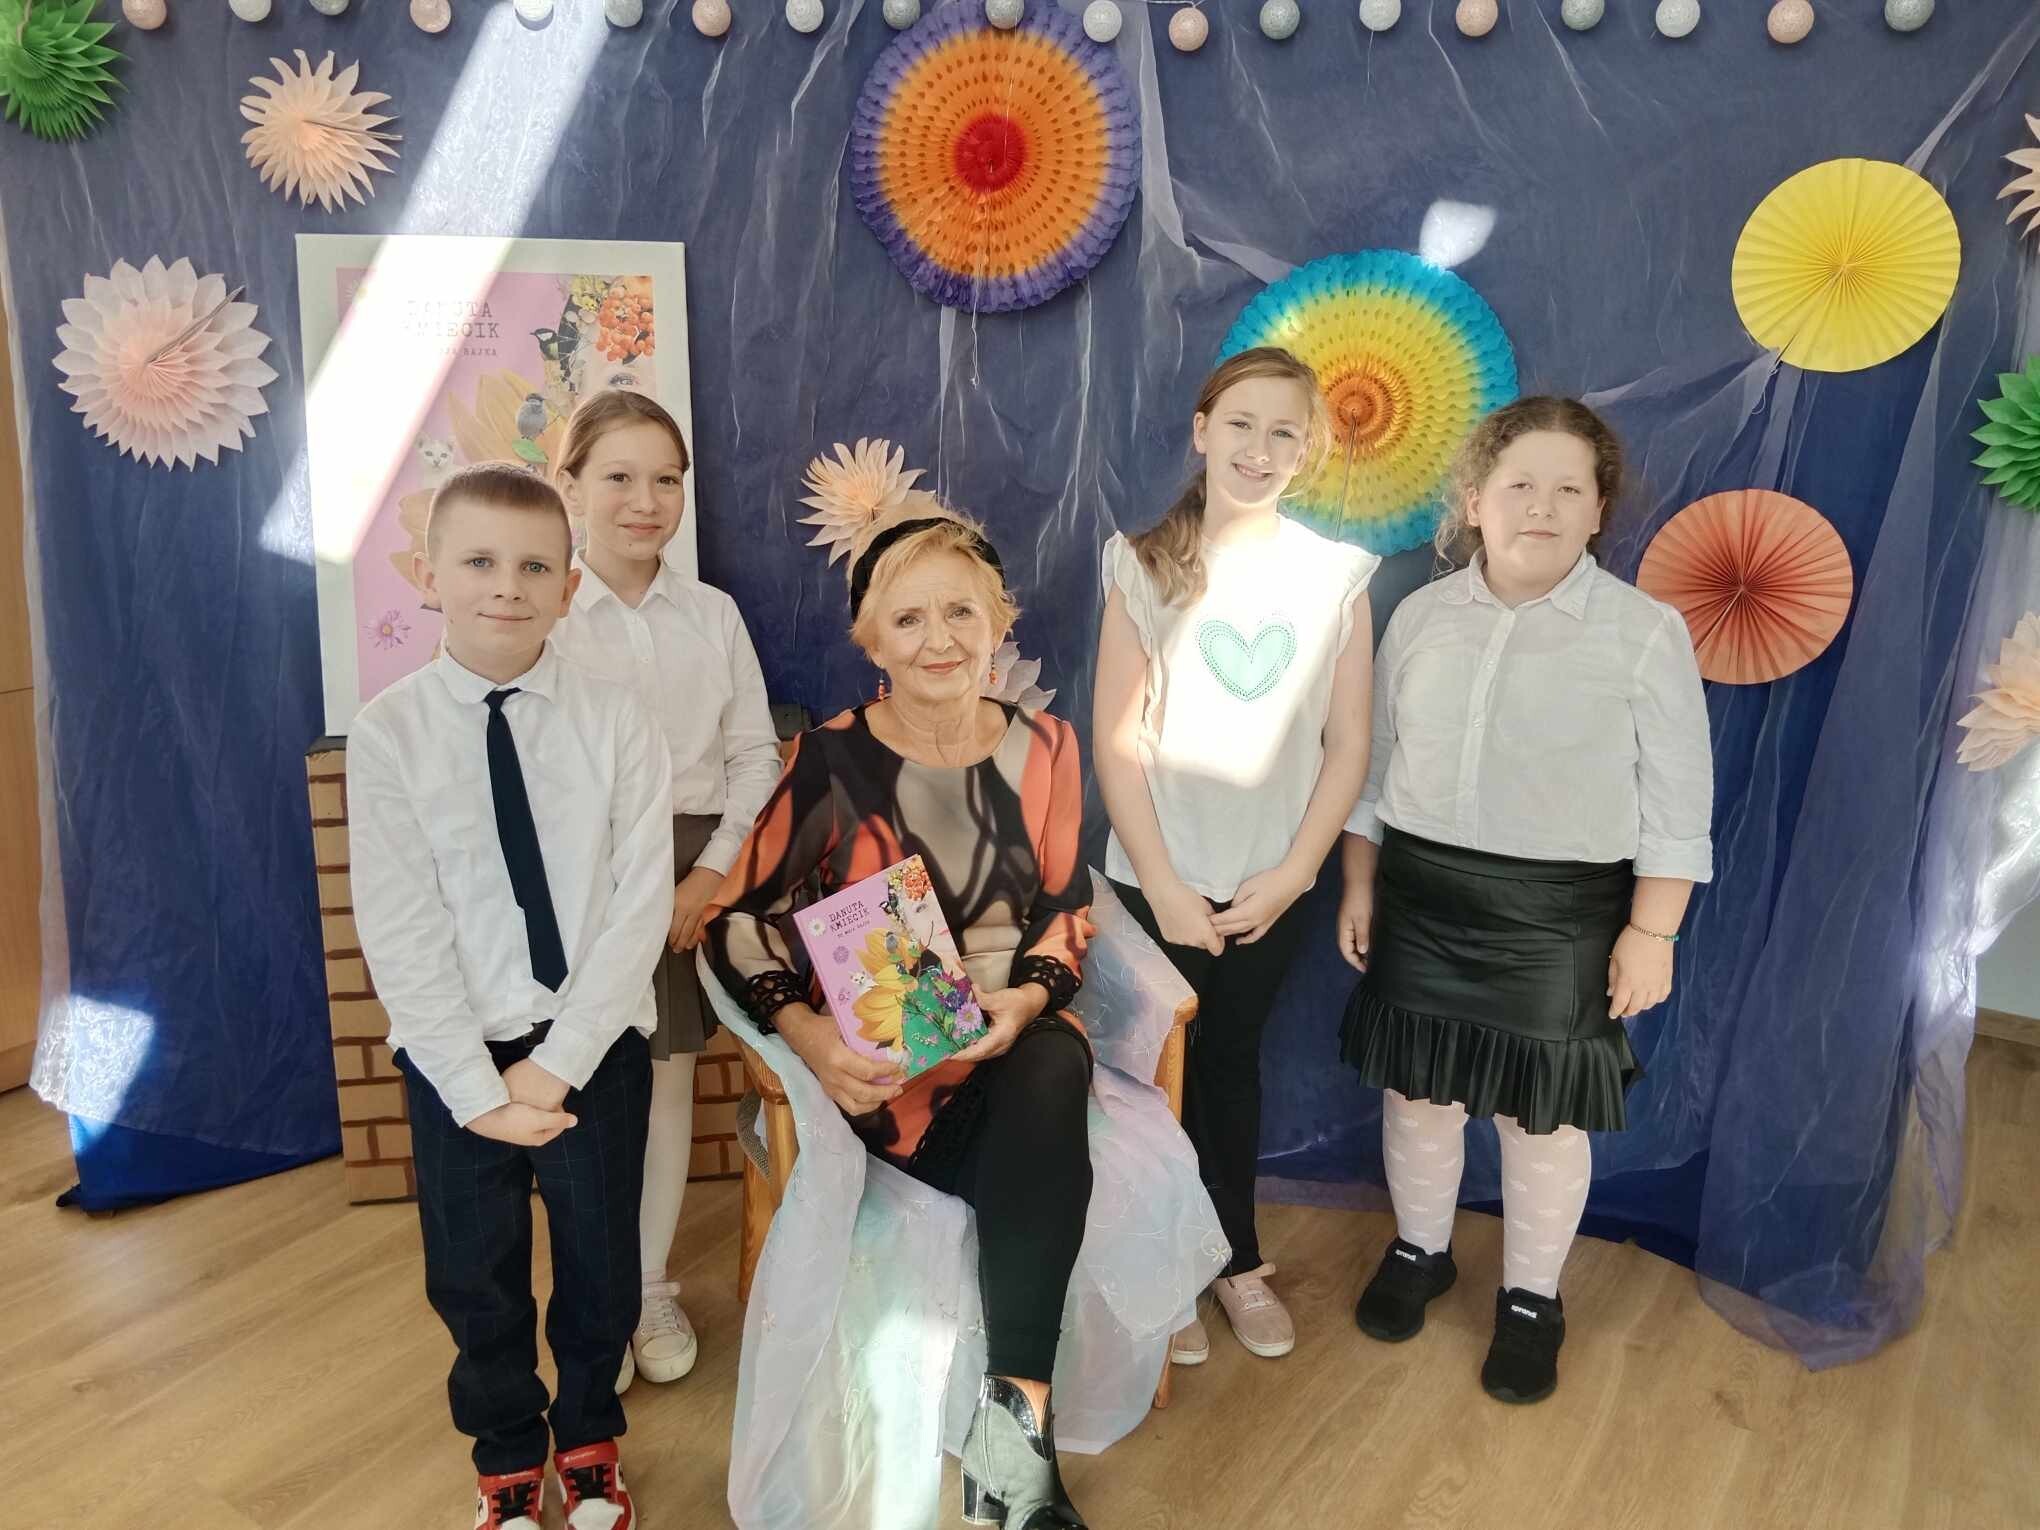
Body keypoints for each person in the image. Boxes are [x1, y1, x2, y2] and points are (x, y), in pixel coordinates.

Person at [706, 509, 1101, 1527]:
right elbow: (736, 921)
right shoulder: (829, 762)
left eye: (961, 612)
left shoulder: (1051, 747)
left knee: (1051, 1065)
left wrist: (1027, 997)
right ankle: (1015, 1460)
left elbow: (1067, 908)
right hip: (893, 1080)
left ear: (1000, 622)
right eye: (909, 619)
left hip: (1014, 1047)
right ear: (871, 642)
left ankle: (1016, 1431)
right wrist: (811, 1042)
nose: (939, 640)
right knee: (1043, 1121)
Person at [1337, 396, 1714, 1406]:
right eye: (1518, 485)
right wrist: (1361, 882)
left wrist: (1653, 931)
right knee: (1416, 1097)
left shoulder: (1644, 632)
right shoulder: (1420, 617)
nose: (1540, 506)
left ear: (1599, 510)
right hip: (1422, 898)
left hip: (1560, 917)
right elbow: (1374, 765)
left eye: (1567, 489)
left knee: (1538, 1121)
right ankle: (1421, 1251)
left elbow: (1679, 804)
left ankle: (1531, 1300)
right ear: (1475, 500)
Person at [350, 463, 673, 1530]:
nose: (507, 585)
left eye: (536, 566)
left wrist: (557, 1062)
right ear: (427, 575)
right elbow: (400, 922)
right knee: (472, 1274)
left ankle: (588, 1441)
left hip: (590, 1048)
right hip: (456, 1055)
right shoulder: (390, 734)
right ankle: (504, 1456)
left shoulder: (618, 719)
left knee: (600, 1265)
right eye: (480, 561)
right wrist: (474, 1085)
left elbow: (639, 904)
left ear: (570, 587)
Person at [1092, 346, 1379, 1364]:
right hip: (1155, 880)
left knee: (1228, 1066)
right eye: (1242, 424)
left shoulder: (1337, 576)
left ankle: (1235, 1261)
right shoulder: (1142, 564)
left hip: (1270, 885)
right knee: (1146, 1076)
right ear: (1203, 430)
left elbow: (1349, 745)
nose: (1259, 448)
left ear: (1307, 451)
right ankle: (1161, 1270)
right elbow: (1118, 742)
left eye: (1283, 432)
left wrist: (1296, 874)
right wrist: (1164, 885)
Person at [551, 389, 782, 1390]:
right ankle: (591, 1305)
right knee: (577, 1089)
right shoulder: (545, 613)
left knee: (666, 1080)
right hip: (578, 875)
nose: (646, 501)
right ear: (569, 485)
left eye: (667, 480)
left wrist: (709, 871)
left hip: (693, 867)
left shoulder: (712, 615)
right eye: (619, 477)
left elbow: (754, 755)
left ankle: (645, 1289)